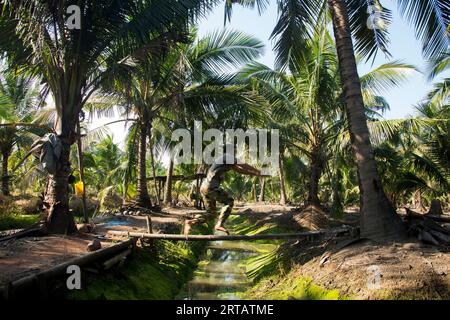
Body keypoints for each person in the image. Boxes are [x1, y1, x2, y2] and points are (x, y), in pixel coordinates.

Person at [184, 148, 261, 235]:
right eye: (234, 151)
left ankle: (191, 222)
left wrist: (254, 174)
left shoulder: (226, 161)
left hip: (204, 187)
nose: (235, 153)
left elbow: (240, 170)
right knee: (229, 201)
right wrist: (257, 171)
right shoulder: (227, 156)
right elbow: (243, 165)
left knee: (211, 214)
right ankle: (219, 224)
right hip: (211, 187)